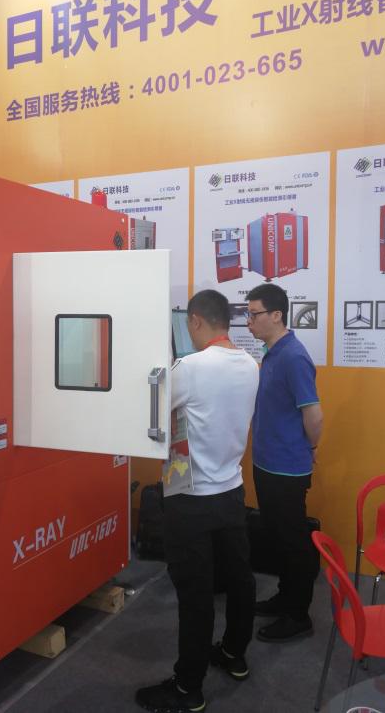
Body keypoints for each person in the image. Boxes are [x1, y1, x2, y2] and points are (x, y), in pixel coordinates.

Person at [136, 290, 259, 713]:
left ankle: (188, 688)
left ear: (194, 322)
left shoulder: (189, 368)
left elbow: (151, 413)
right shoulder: (250, 364)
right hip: (231, 491)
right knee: (239, 579)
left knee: (195, 594)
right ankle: (233, 653)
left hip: (191, 500)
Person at [246, 283, 323, 643]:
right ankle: (285, 597)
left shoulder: (293, 357)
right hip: (267, 462)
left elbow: (314, 414)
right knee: (277, 537)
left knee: (293, 542)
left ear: (276, 315)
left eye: (254, 314)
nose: (248, 322)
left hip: (287, 468)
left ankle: (298, 615)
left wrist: (312, 447)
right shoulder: (272, 353)